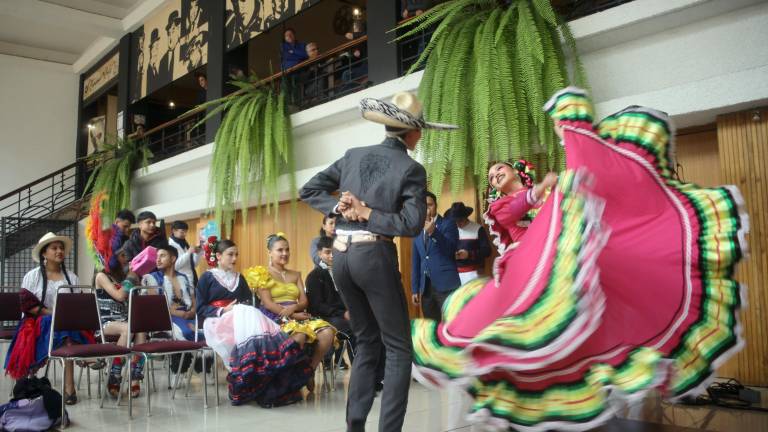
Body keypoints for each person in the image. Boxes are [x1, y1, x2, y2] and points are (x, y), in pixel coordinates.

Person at [410, 87, 749, 431]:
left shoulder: (556, 196)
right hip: (527, 273)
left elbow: (583, 192)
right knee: (527, 335)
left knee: (604, 302)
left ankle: (597, 385)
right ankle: (533, 396)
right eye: (492, 177)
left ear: (516, 171)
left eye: (500, 171)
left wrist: (566, 156)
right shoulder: (505, 204)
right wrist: (538, 192)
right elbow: (513, 210)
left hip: (564, 265)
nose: (495, 177)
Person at [300, 92, 456, 432]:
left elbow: (308, 189)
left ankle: (354, 426)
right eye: (420, 130)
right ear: (412, 132)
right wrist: (366, 212)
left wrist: (337, 208)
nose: (421, 136)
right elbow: (412, 225)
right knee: (399, 347)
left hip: (341, 257)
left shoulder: (353, 156)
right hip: (373, 256)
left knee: (367, 339)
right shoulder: (411, 169)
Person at [197, 239, 313, 407]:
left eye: (236, 254)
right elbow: (200, 308)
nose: (234, 258)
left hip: (242, 317)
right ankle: (253, 378)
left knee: (251, 312)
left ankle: (268, 381)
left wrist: (238, 310)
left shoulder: (240, 278)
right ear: (219, 256)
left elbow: (250, 304)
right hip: (217, 321)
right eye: (230, 254)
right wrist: (224, 310)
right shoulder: (207, 278)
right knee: (249, 315)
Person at [4, 233, 92, 406]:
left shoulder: (72, 277)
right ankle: (80, 367)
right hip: (35, 322)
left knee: (65, 329)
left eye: (61, 248)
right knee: (59, 327)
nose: (59, 251)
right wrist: (52, 313)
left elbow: (76, 305)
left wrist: (62, 315)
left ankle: (69, 388)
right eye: (54, 248)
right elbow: (27, 305)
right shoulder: (32, 276)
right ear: (44, 253)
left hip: (64, 323)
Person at [258, 233, 335, 391]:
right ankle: (289, 379)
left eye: (287, 250)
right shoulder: (262, 274)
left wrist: (294, 309)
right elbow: (268, 303)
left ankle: (309, 371)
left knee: (327, 333)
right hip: (274, 316)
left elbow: (304, 301)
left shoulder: (295, 274)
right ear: (270, 252)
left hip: (297, 313)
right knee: (299, 336)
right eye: (280, 250)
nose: (285, 253)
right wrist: (292, 314)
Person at [94, 246, 147, 399]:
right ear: (111, 258)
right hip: (106, 323)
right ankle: (114, 375)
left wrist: (137, 278)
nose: (127, 259)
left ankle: (135, 378)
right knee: (128, 329)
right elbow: (119, 296)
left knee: (140, 328)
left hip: (125, 321)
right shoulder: (101, 276)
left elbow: (135, 299)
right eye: (122, 255)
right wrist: (131, 276)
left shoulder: (124, 277)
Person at [306, 236, 354, 368]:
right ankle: (361, 370)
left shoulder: (342, 272)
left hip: (342, 315)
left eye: (334, 252)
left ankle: (373, 370)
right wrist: (342, 313)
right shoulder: (314, 276)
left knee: (367, 324)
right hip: (326, 317)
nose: (332, 256)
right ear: (319, 253)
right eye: (328, 252)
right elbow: (317, 306)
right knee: (354, 328)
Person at [411, 191, 460, 321]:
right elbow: (416, 261)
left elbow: (451, 250)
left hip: (447, 285)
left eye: (429, 205)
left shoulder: (448, 224)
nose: (426, 209)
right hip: (426, 288)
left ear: (436, 205)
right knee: (431, 326)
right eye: (423, 206)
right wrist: (415, 289)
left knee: (451, 324)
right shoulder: (417, 229)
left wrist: (434, 232)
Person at [445, 201, 491, 284]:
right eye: (455, 221)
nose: (458, 223)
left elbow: (487, 251)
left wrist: (469, 254)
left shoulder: (478, 229)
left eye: (461, 220)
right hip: (453, 276)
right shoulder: (449, 230)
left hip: (474, 275)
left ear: (466, 216)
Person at [168, 220, 202, 287]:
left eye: (186, 232)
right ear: (174, 231)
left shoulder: (185, 244)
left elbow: (193, 265)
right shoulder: (169, 245)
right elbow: (175, 266)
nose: (185, 234)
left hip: (192, 277)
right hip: (180, 280)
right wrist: (188, 253)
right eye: (182, 232)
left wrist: (197, 254)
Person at [159, 11, 182, 84]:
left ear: (178, 30)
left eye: (173, 30)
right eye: (168, 33)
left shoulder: (183, 52)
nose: (170, 37)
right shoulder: (162, 61)